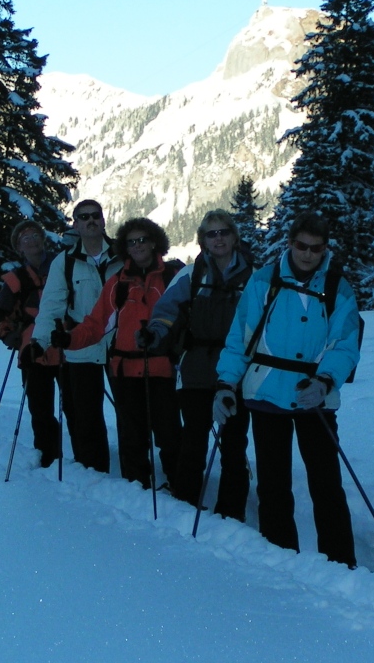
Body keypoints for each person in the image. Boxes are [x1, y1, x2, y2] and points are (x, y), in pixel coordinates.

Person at [214, 211, 361, 567]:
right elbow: (240, 337)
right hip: (266, 394)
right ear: (290, 242)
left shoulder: (338, 287)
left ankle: (340, 562)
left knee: (326, 484)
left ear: (325, 249)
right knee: (274, 484)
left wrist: (325, 381)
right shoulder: (264, 281)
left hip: (315, 396)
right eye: (301, 246)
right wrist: (225, 383)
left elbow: (345, 343)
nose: (307, 254)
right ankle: (280, 556)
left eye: (315, 248)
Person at [52, 217, 182, 490]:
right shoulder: (118, 284)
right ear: (124, 247)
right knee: (132, 439)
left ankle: (181, 488)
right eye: (131, 242)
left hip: (163, 370)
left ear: (155, 241)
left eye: (142, 240)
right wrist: (69, 339)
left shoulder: (173, 277)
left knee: (170, 436)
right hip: (125, 373)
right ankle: (137, 489)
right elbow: (96, 324)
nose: (137, 246)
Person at [141, 209, 253, 519]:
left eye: (224, 232)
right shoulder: (191, 274)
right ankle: (185, 504)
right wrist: (155, 333)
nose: (218, 238)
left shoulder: (254, 276)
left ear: (234, 236)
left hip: (237, 372)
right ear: (202, 239)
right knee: (193, 441)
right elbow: (167, 310)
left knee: (233, 446)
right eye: (211, 233)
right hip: (196, 369)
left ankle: (231, 513)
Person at [32, 200, 121, 473]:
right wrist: (40, 341)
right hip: (81, 342)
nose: (91, 221)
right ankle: (92, 472)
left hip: (121, 343)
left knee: (130, 414)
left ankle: (135, 476)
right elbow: (52, 305)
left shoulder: (122, 255)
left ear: (104, 220)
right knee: (85, 415)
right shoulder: (65, 261)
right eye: (84, 217)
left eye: (95, 216)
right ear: (76, 224)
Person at [0, 220, 61, 468]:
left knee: (76, 409)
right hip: (32, 351)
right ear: (19, 248)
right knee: (41, 410)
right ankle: (49, 456)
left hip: (66, 345)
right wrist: (10, 336)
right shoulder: (16, 279)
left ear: (43, 239)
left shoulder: (63, 267)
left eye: (34, 235)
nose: (31, 240)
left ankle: (82, 459)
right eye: (25, 238)